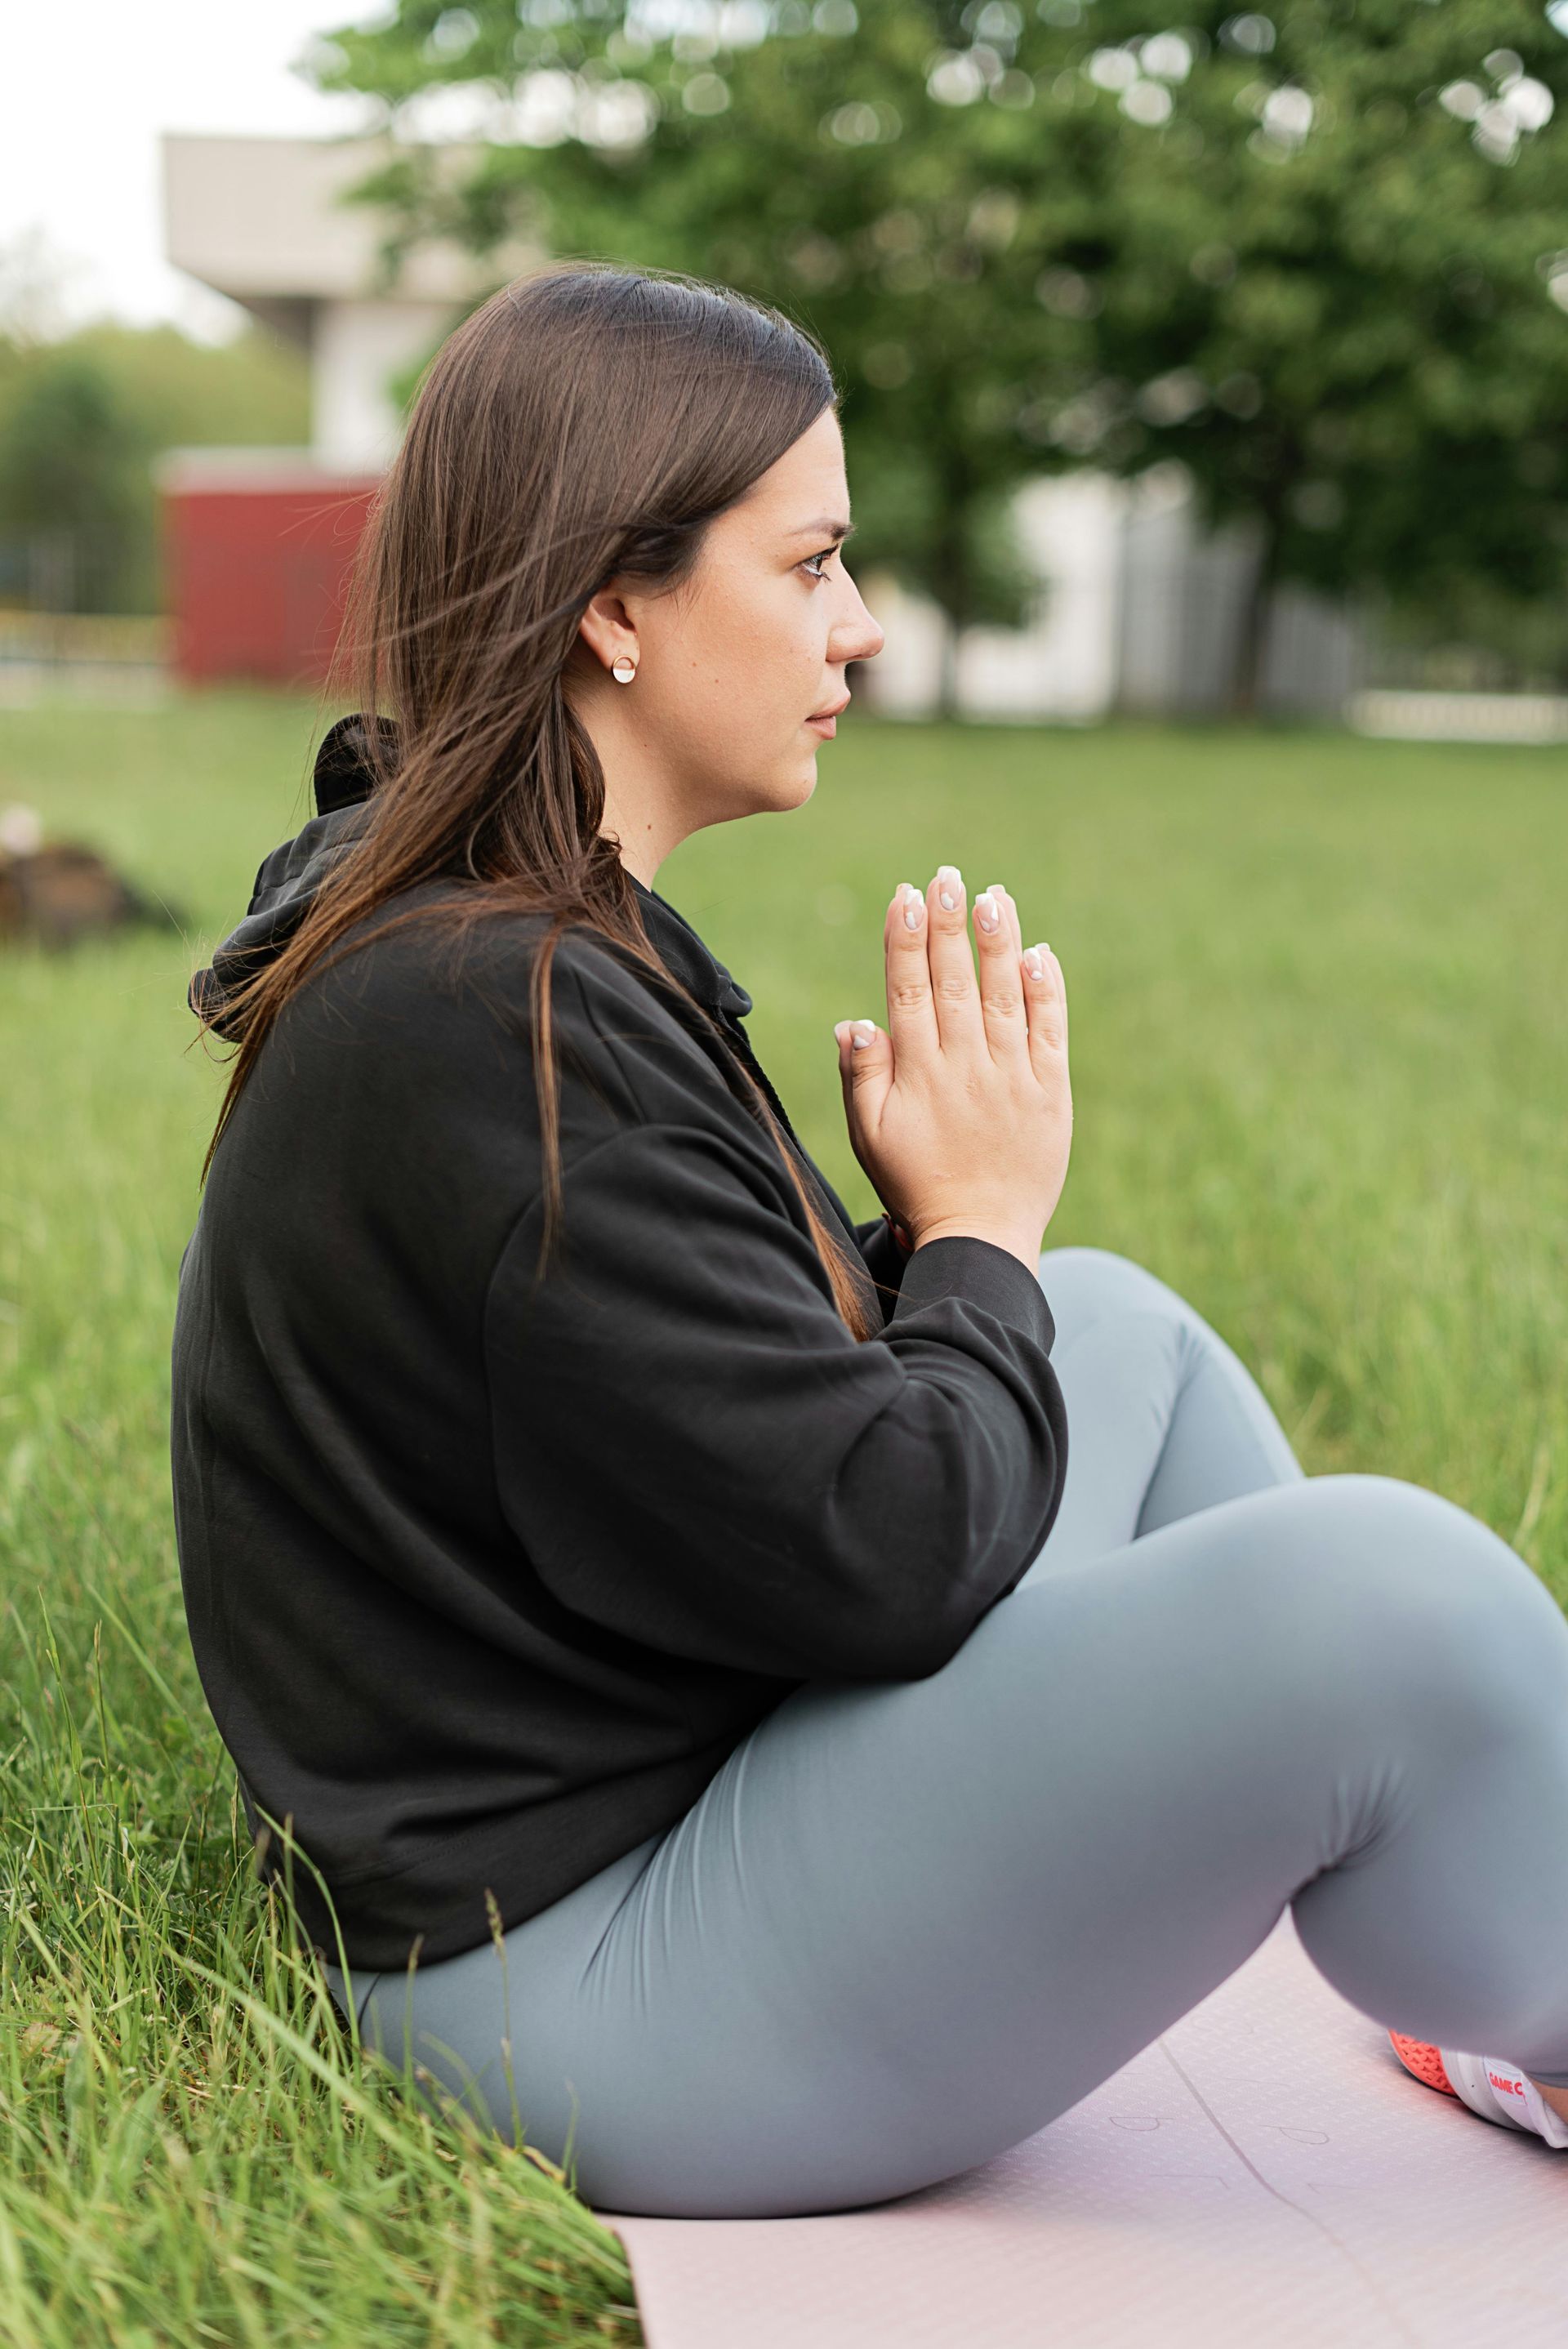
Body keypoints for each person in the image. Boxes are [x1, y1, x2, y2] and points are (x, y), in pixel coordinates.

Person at [170, 261, 1568, 2221]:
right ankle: (1536, 1973)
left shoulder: (517, 937)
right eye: (813, 563)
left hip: (673, 1816)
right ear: (614, 601)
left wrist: (953, 1256)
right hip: (569, 1991)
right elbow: (887, 1551)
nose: (866, 625)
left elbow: (724, 1438)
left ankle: (1462, 1931)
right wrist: (970, 1229)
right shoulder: (489, 1021)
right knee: (1389, 1595)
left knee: (1111, 1331)